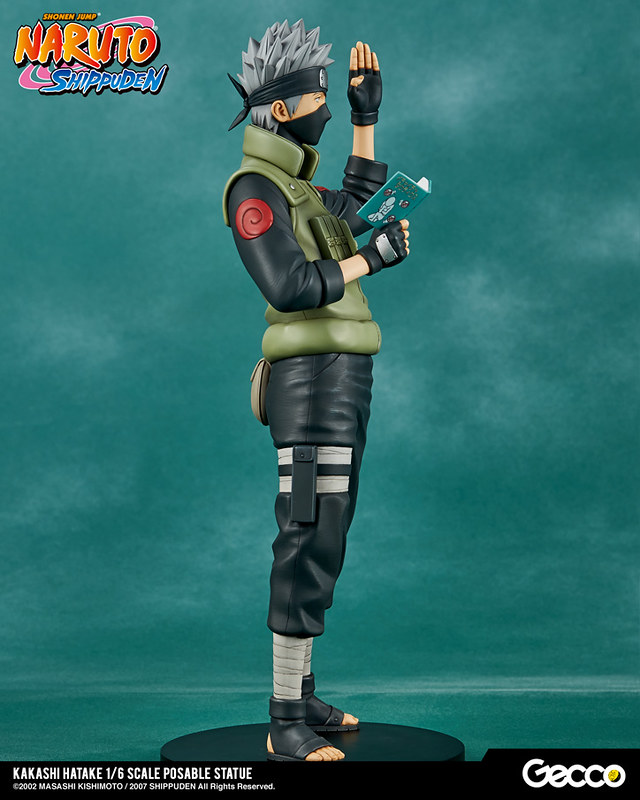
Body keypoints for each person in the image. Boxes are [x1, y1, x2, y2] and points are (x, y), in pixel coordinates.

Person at [223, 19, 410, 762]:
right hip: (308, 380)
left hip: (343, 372)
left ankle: (303, 698)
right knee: (307, 533)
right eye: (319, 98)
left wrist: (367, 121)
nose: (325, 109)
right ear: (282, 107)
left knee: (329, 528)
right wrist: (371, 261)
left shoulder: (294, 186)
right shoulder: (255, 190)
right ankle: (283, 718)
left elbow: (350, 212)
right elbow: (291, 284)